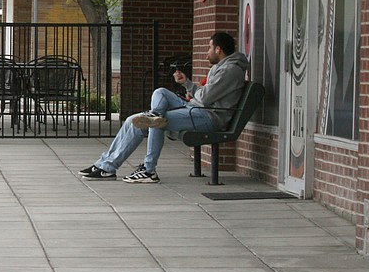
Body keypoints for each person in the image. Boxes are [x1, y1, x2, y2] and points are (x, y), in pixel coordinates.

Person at [80, 31, 249, 184]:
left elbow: (205, 98)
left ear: (218, 49)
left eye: (209, 48)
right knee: (150, 103)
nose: (207, 53)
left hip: (209, 116)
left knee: (155, 123)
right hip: (196, 109)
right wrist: (187, 83)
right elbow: (204, 95)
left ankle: (148, 170)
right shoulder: (221, 67)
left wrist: (191, 88)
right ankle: (105, 166)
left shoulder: (230, 70)